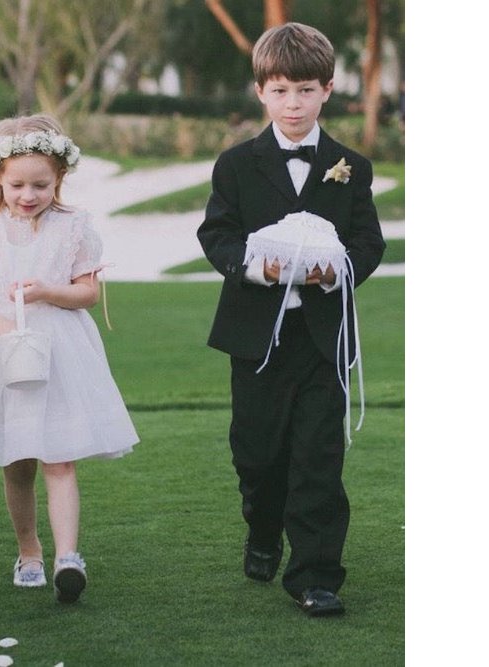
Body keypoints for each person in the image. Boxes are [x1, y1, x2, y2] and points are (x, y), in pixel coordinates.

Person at [197, 23, 385, 616]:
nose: (294, 104)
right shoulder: (235, 165)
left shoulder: (350, 167)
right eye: (280, 91)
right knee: (257, 454)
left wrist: (340, 271)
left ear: (328, 89)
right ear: (261, 93)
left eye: (305, 90)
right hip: (255, 338)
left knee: (318, 457)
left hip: (324, 339)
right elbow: (216, 234)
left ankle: (315, 575)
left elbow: (368, 241)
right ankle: (262, 527)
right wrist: (257, 269)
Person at [0, 113, 139, 603]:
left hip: (61, 351)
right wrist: (5, 329)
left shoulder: (75, 226)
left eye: (40, 184)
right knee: (17, 460)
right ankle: (30, 551)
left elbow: (86, 293)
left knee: (59, 458)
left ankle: (68, 557)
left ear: (59, 178)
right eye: (17, 184)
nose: (27, 194)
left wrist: (47, 291)